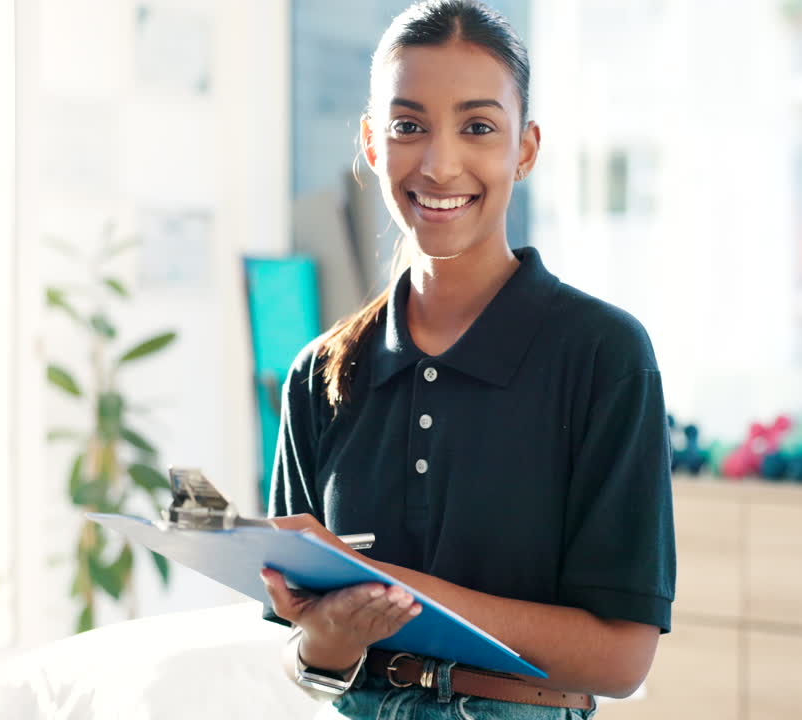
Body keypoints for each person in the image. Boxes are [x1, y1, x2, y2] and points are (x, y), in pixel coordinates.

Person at [259, 2, 675, 718]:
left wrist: (387, 590)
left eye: (478, 127)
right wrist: (325, 642)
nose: (439, 162)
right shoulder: (318, 375)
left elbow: (620, 656)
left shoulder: (604, 356)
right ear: (371, 142)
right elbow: (301, 648)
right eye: (408, 126)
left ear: (526, 148)